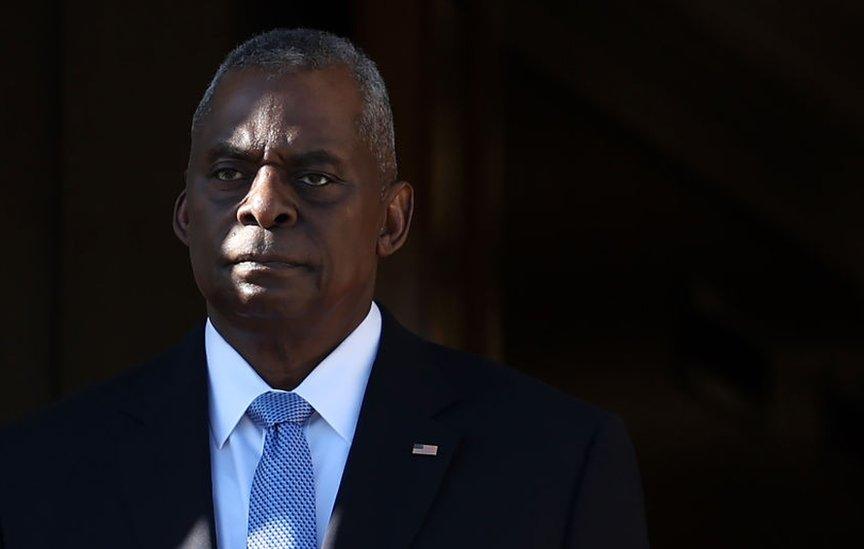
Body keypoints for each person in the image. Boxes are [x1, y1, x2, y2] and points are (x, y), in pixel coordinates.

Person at [0, 29, 649, 549]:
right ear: (184, 215)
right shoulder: (41, 470)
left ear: (392, 220)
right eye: (229, 171)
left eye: (313, 177)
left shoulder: (553, 462)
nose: (262, 205)